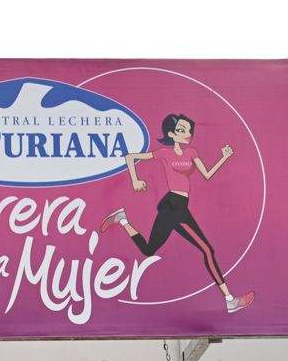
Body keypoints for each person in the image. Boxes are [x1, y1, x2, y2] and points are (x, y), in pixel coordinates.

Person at [99, 112, 254, 314]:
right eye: (181, 130)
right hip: (173, 205)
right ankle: (229, 300)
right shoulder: (164, 153)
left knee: (148, 250)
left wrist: (223, 158)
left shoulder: (192, 153)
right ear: (171, 134)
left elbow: (207, 174)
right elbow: (130, 157)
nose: (187, 134)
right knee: (207, 250)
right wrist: (135, 180)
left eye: (188, 130)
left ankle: (123, 220)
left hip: (180, 206)